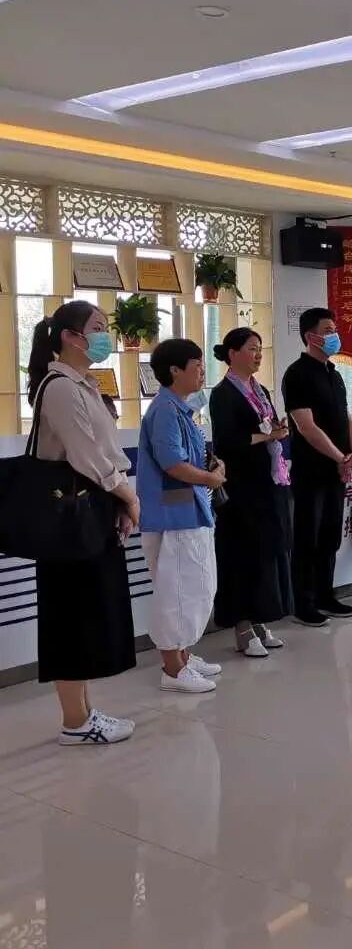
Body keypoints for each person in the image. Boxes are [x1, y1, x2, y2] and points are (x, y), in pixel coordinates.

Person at [27, 301, 140, 745]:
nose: (104, 335)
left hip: (92, 511)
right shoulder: (59, 387)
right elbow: (86, 455)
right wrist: (128, 496)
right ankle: (74, 721)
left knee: (88, 613)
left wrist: (120, 501)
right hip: (69, 522)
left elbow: (105, 452)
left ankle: (85, 713)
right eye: (97, 327)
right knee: (70, 615)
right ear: (70, 337)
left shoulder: (84, 385)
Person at [137, 338, 225, 694]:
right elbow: (172, 463)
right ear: (175, 370)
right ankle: (172, 668)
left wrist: (210, 470)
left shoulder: (180, 409)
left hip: (189, 511)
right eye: (196, 365)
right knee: (176, 591)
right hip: (172, 517)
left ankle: (184, 655)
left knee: (195, 588)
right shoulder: (164, 411)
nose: (203, 371)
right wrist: (210, 478)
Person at [209, 327, 292, 657]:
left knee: (265, 554)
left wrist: (278, 430)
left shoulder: (260, 389)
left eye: (260, 348)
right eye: (251, 348)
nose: (258, 354)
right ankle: (242, 626)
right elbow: (228, 441)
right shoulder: (222, 394)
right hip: (241, 486)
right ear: (232, 353)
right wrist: (269, 436)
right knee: (242, 555)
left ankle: (260, 619)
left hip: (267, 482)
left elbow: (268, 426)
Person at [282, 308, 352, 626]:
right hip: (312, 469)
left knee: (330, 536)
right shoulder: (297, 374)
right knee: (308, 537)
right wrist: (339, 457)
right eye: (328, 330)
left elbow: (346, 417)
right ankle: (304, 602)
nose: (334, 335)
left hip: (337, 470)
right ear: (310, 336)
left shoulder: (335, 374)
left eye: (334, 329)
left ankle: (326, 594)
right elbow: (306, 427)